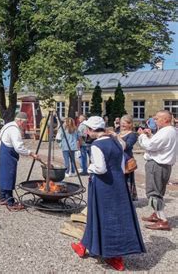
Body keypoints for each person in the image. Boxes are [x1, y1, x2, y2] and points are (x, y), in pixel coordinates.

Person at [71, 116, 145, 271]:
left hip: (103, 186)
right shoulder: (116, 141)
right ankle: (84, 245)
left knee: (101, 216)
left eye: (88, 129)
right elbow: (122, 156)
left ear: (91, 130)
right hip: (119, 183)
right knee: (118, 217)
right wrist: (113, 134)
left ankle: (113, 255)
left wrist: (89, 168)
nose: (87, 132)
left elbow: (100, 168)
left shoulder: (96, 145)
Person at [138, 110, 177, 231]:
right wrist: (151, 136)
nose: (154, 120)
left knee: (154, 193)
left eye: (157, 118)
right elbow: (158, 144)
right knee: (159, 191)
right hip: (164, 164)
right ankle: (157, 214)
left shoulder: (166, 132)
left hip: (157, 164)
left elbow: (150, 146)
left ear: (165, 119)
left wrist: (143, 135)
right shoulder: (172, 130)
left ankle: (163, 220)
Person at [0, 112, 39, 211]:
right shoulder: (14, 130)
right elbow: (18, 147)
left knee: (3, 176)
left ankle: (3, 197)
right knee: (8, 178)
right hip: (7, 156)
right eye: (25, 123)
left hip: (3, 153)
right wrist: (31, 153)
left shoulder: (8, 125)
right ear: (20, 121)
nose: (25, 125)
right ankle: (10, 202)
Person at [118, 115, 139, 201]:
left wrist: (116, 137)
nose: (123, 124)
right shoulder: (118, 133)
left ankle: (127, 199)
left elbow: (127, 146)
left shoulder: (132, 135)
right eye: (122, 122)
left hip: (126, 160)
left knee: (126, 179)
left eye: (125, 122)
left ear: (130, 124)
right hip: (117, 159)